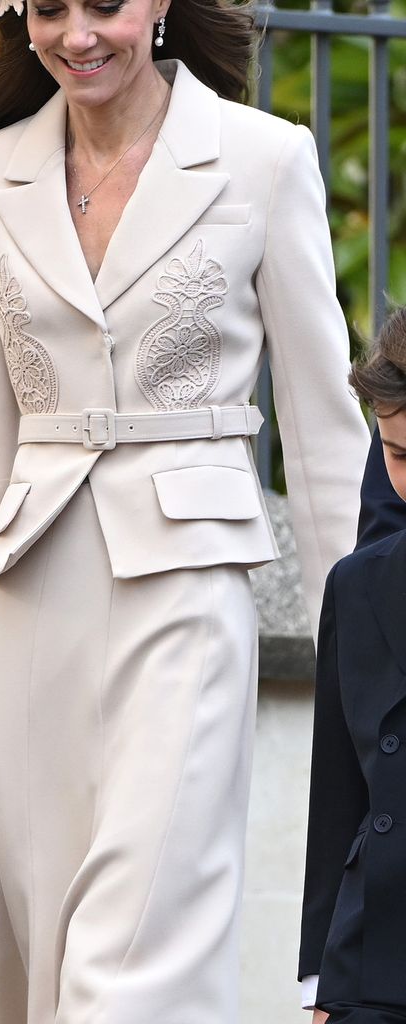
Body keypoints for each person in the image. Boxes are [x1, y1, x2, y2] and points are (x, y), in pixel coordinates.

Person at [0, 0, 371, 1021]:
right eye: (50, 8)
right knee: (32, 960)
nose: (78, 34)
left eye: (105, 4)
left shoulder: (263, 159)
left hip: (186, 595)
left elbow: (328, 430)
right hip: (25, 601)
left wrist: (373, 629)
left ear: (160, 2)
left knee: (134, 961)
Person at [299, 307, 406, 1024]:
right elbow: (337, 797)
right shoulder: (359, 585)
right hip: (374, 964)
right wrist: (320, 988)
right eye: (398, 454)